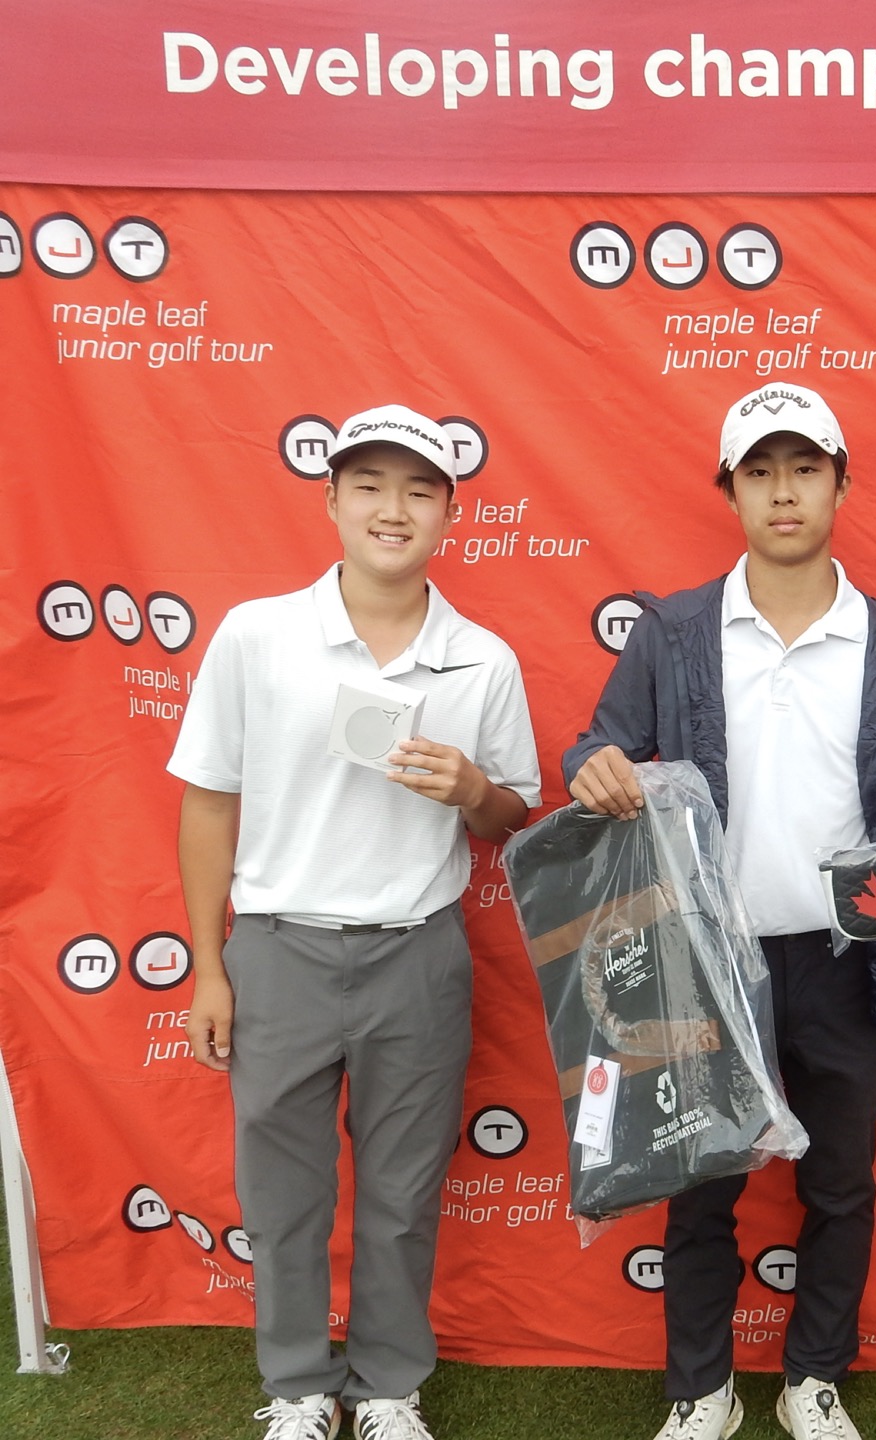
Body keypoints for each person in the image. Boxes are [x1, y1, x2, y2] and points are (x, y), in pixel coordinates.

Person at [564, 381, 876, 1440]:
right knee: (700, 1182)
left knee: (839, 1184)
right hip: (705, 960)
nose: (783, 492)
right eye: (760, 472)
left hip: (845, 953)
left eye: (804, 469)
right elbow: (595, 747)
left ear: (842, 485)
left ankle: (813, 1380)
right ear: (731, 493)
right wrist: (594, 768)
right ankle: (701, 1389)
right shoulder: (675, 630)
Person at [169, 405, 543, 1440]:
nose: (393, 509)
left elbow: (512, 815)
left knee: (402, 1191)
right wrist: (208, 966)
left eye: (419, 490)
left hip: (417, 955)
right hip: (277, 951)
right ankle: (297, 1387)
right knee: (281, 1193)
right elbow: (208, 802)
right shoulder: (258, 635)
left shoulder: (482, 658)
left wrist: (472, 788)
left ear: (450, 514)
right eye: (369, 485)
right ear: (330, 499)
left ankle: (385, 1388)